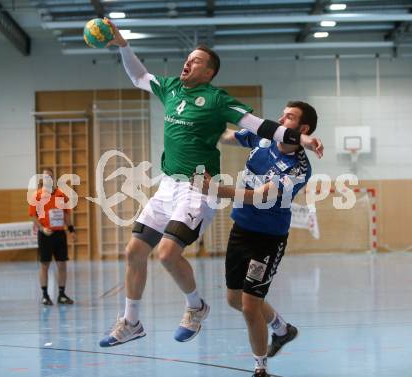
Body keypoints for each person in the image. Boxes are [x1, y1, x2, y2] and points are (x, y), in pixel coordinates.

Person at [99, 18, 323, 347]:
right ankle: (131, 322)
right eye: (187, 59)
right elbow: (138, 76)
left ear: (209, 72)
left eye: (197, 61)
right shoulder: (172, 88)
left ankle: (196, 307)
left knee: (166, 254)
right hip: (167, 186)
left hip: (198, 188)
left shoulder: (217, 99)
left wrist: (301, 141)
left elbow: (262, 126)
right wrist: (122, 45)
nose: (188, 63)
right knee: (133, 251)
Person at [195, 101, 318, 377]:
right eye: (282, 112)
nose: (280, 118)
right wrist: (201, 125)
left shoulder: (298, 168)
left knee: (251, 306)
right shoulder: (265, 137)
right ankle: (283, 330)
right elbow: (227, 136)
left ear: (303, 128)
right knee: (234, 299)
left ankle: (260, 369)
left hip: (268, 239)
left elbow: (262, 196)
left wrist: (215, 190)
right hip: (241, 228)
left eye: (288, 116)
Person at [29, 168, 76, 306]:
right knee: (44, 265)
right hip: (45, 235)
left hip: (59, 234)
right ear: (42, 180)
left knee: (62, 264)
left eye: (50, 176)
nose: (48, 179)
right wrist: (43, 228)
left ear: (53, 178)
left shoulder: (61, 195)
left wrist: (71, 230)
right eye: (45, 177)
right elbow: (33, 217)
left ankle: (61, 294)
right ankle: (45, 295)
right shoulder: (37, 196)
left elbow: (66, 215)